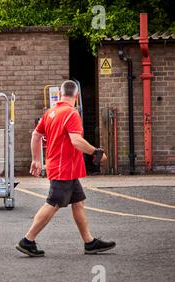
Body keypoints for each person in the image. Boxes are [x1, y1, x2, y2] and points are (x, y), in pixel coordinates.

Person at [16, 80, 116, 257]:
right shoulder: (71, 113)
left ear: (61, 94)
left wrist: (36, 160)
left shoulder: (51, 112)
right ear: (76, 96)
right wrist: (97, 152)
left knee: (78, 202)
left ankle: (89, 242)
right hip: (64, 168)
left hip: (63, 167)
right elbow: (76, 141)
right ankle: (28, 240)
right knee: (53, 203)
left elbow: (36, 135)